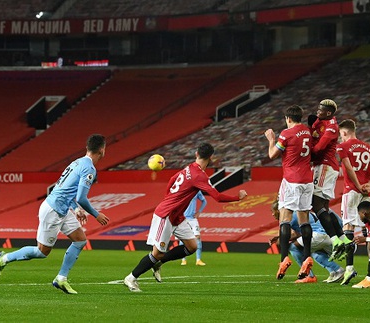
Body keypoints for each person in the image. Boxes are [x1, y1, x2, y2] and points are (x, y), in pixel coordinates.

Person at [0, 134, 110, 294]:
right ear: (102, 150)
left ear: (87, 147)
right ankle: (5, 258)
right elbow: (81, 198)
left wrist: (75, 209)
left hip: (62, 208)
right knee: (41, 252)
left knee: (80, 240)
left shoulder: (76, 162)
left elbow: (63, 189)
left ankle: (61, 279)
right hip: (53, 210)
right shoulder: (89, 168)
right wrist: (96, 214)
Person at [123, 143, 247, 292]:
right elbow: (218, 197)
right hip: (166, 215)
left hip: (177, 216)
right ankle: (131, 278)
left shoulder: (189, 168)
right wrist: (237, 197)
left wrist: (169, 197)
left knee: (192, 246)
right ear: (211, 157)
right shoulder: (200, 176)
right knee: (157, 253)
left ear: (196, 154)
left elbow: (172, 179)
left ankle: (158, 262)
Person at [264, 105, 314, 280]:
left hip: (292, 180)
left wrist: (271, 139)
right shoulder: (307, 132)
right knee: (304, 220)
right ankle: (307, 256)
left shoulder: (286, 133)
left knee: (284, 218)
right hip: (308, 181)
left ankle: (284, 258)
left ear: (288, 118)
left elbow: (272, 154)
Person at [336, 119, 370, 285]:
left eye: (341, 134)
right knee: (368, 229)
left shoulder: (343, 147)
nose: (340, 138)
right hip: (366, 193)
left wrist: (358, 184)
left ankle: (349, 268)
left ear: (345, 132)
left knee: (348, 228)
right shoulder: (367, 147)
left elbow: (348, 167)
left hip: (352, 191)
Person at [309, 99, 351, 260]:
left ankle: (335, 241)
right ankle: (343, 239)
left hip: (325, 166)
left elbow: (319, 148)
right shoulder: (320, 121)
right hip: (323, 167)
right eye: (318, 108)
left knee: (315, 203)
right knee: (324, 208)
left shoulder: (332, 127)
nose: (318, 111)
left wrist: (304, 152)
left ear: (329, 113)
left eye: (321, 110)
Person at [269, 200, 345, 283]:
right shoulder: (298, 213)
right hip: (327, 237)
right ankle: (337, 270)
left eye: (273, 211)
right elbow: (300, 234)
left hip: (318, 235)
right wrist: (279, 237)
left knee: (293, 247)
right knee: (314, 252)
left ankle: (309, 275)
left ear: (279, 209)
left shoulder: (289, 215)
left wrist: (279, 241)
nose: (272, 214)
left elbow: (291, 236)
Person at [180, 190, 207, 266]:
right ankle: (183, 259)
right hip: (183, 218)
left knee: (197, 237)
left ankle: (198, 260)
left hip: (193, 219)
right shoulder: (183, 190)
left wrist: (199, 212)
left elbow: (204, 201)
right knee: (182, 238)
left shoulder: (196, 191)